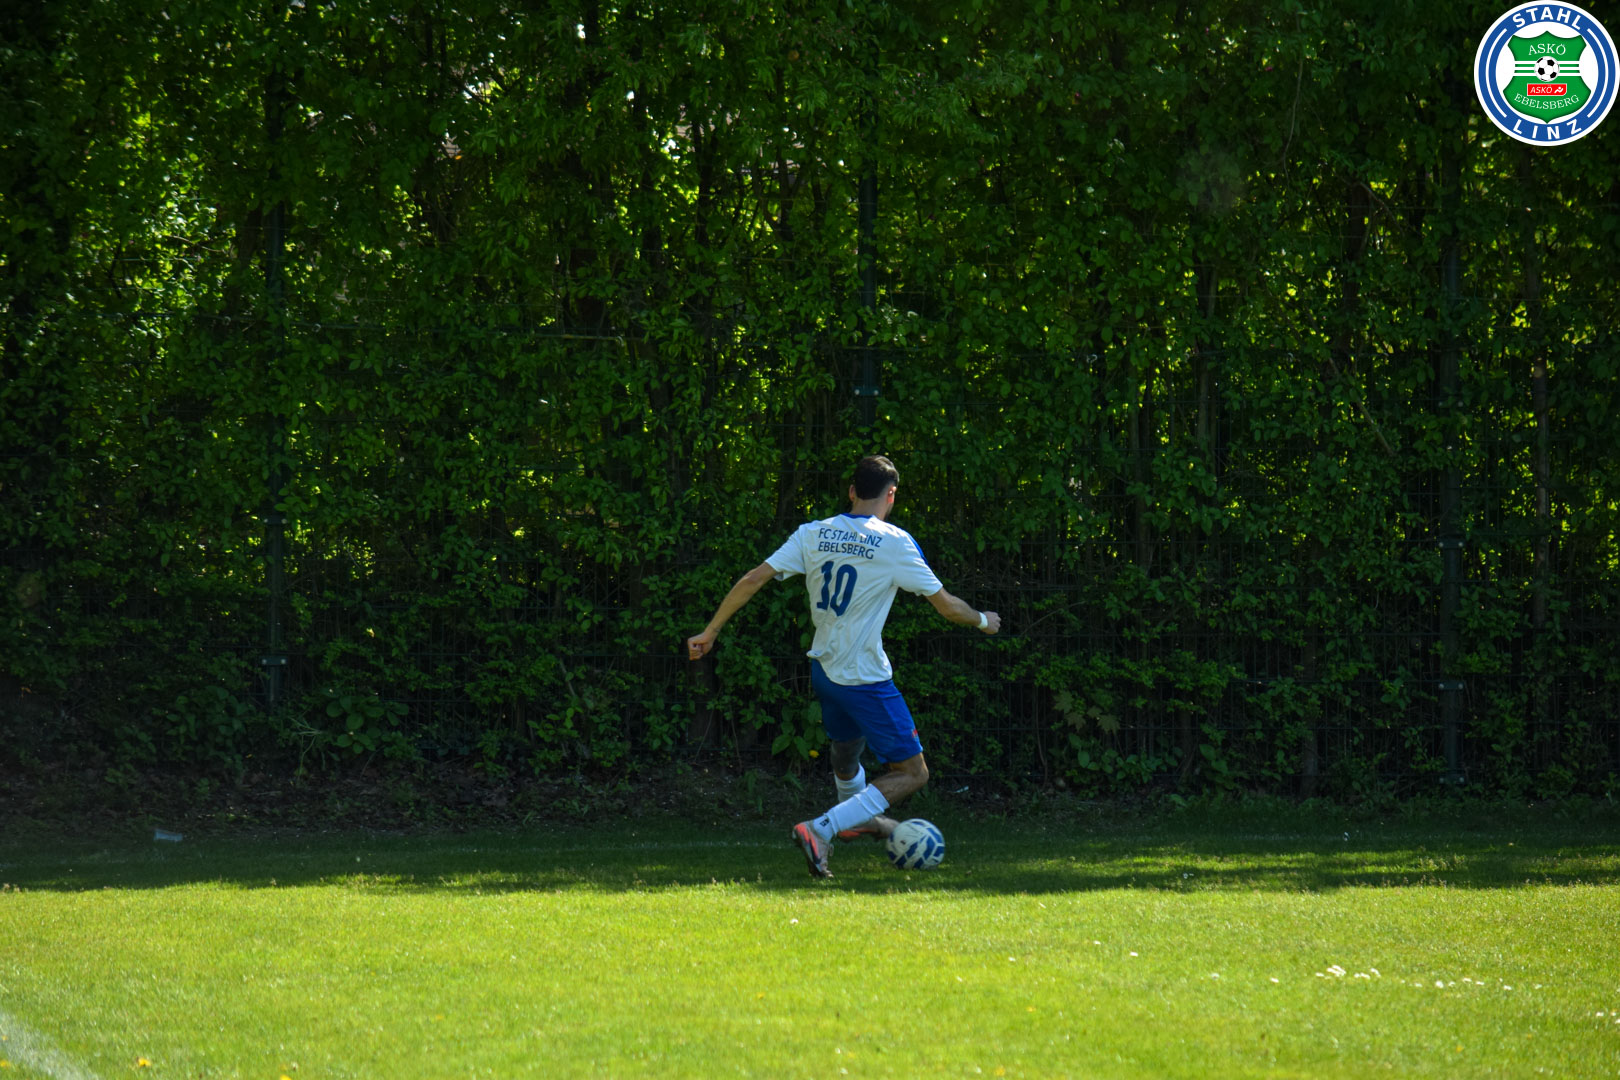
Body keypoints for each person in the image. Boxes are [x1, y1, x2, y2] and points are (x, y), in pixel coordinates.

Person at [686, 455, 1001, 878]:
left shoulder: (812, 533)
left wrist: (710, 631)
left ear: (852, 491)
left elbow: (753, 579)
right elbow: (947, 608)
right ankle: (822, 828)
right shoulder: (895, 542)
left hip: (824, 671)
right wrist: (982, 620)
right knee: (913, 773)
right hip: (865, 678)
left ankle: (856, 818)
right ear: (891, 495)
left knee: (847, 758)